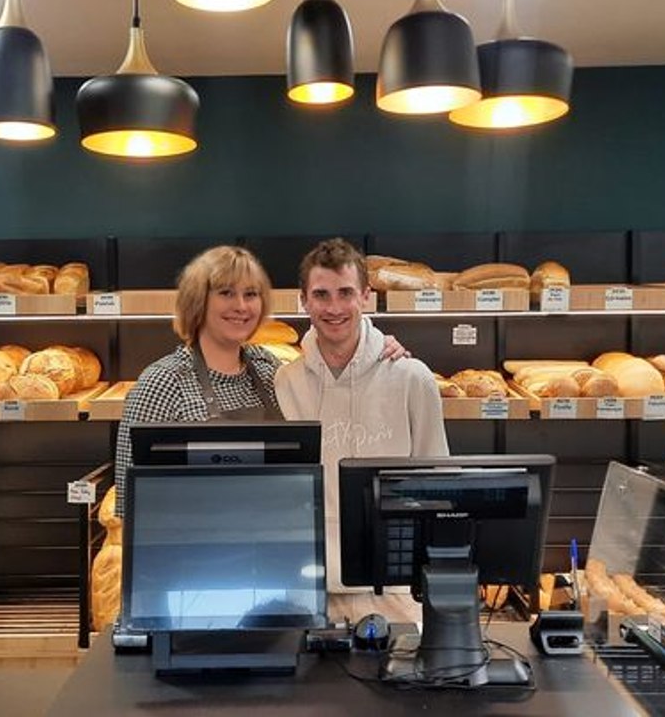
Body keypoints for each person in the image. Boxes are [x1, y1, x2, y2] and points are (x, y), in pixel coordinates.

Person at [112, 244, 410, 519]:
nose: (241, 306)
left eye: (251, 294)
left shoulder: (270, 371)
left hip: (270, 538)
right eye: (226, 293)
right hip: (193, 550)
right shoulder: (162, 383)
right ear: (198, 301)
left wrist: (377, 349)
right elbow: (130, 507)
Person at [274, 238, 449, 625]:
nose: (334, 308)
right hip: (308, 591)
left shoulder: (411, 378)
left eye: (345, 293)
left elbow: (437, 485)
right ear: (303, 301)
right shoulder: (283, 382)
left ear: (367, 297)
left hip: (394, 593)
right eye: (321, 295)